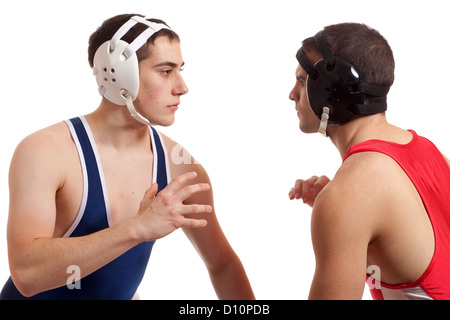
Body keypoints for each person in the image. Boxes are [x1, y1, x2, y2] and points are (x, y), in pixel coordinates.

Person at [0, 13, 254, 300]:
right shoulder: (46, 151)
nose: (182, 87)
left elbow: (221, 264)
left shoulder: (179, 167)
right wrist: (136, 228)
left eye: (180, 70)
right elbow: (27, 274)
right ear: (118, 73)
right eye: (166, 71)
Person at [288, 22, 450, 300]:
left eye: (303, 81)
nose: (292, 94)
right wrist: (352, 220)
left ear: (333, 90)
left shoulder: (348, 196)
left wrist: (342, 207)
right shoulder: (431, 153)